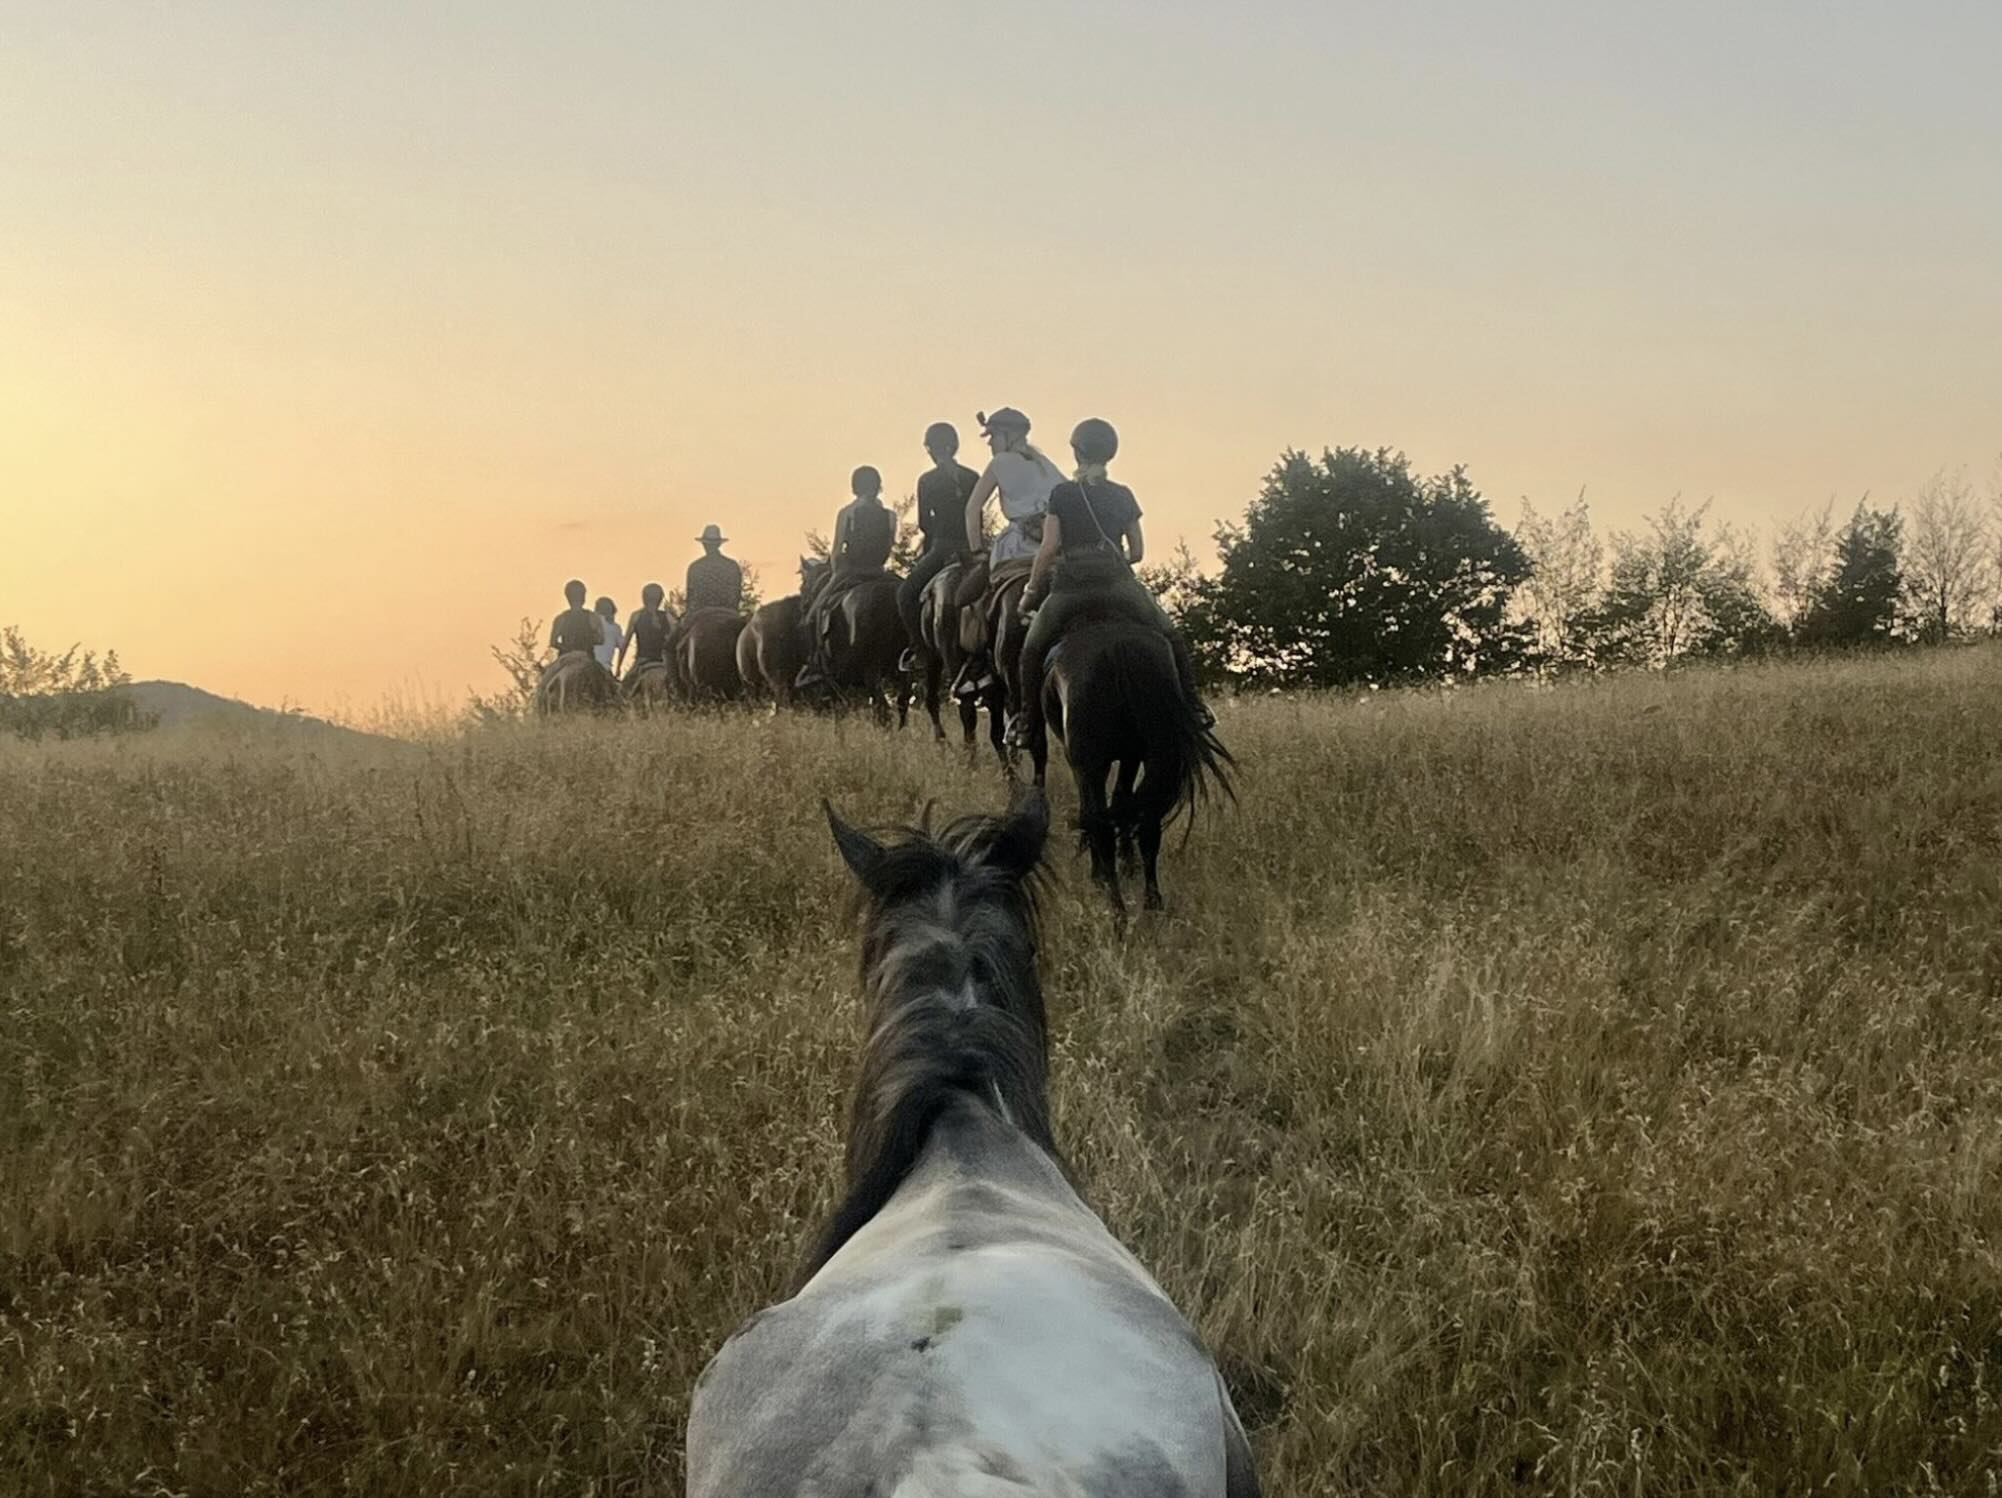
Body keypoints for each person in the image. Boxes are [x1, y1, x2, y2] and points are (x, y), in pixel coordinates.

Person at [1007, 418, 1212, 752]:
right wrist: (1115, 562)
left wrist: (1030, 592)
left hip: (1071, 590)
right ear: (1110, 455)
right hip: (1119, 585)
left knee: (1031, 650)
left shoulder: (1063, 494)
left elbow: (1048, 550)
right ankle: (1194, 705)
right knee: (1171, 636)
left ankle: (1028, 724)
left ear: (1076, 453)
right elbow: (1138, 551)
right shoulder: (1123, 495)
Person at [954, 407, 1066, 697]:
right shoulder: (1046, 464)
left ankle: (977, 666)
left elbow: (972, 509)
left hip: (1015, 549)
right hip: (1054, 548)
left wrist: (978, 551)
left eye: (992, 436)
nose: (990, 443)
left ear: (1007, 435)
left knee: (971, 598)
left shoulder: (1000, 462)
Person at [796, 466, 897, 689]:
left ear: (855, 487)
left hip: (851, 571)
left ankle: (814, 665)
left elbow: (835, 550)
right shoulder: (890, 516)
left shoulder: (847, 513)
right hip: (879, 571)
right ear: (878, 486)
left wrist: (837, 571)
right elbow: (889, 546)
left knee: (815, 613)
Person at [896, 422, 981, 670]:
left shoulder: (927, 480)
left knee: (905, 594)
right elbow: (977, 518)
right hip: (972, 547)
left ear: (932, 448)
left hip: (942, 547)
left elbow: (924, 523)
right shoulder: (972, 477)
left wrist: (935, 543)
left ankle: (919, 650)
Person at [617, 582, 675, 680]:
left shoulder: (636, 616)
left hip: (642, 661)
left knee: (624, 692)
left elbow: (625, 644)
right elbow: (674, 641)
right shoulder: (668, 617)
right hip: (662, 662)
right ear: (660, 598)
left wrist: (618, 667)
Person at [686, 525, 744, 614]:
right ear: (719, 544)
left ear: (704, 544)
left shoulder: (695, 567)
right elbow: (737, 593)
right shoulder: (732, 566)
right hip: (729, 611)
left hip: (700, 611)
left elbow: (691, 596)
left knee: (680, 627)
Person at [548, 579, 604, 657]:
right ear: (583, 596)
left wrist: (567, 649)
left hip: (566, 658)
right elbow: (600, 640)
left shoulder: (561, 619)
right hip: (586, 658)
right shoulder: (593, 618)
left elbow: (553, 642)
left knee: (549, 669)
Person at [592, 596, 624, 670]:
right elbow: (622, 647)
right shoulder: (615, 628)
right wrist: (618, 667)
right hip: (604, 666)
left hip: (592, 664)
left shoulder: (591, 623)